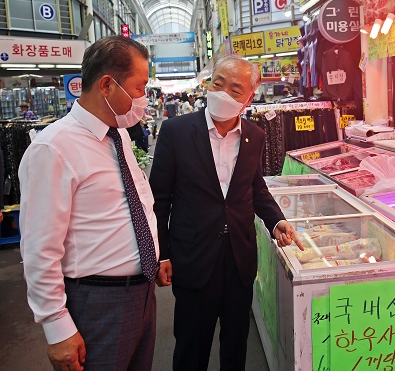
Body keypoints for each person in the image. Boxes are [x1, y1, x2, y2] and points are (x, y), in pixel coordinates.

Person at [149, 54, 304, 371]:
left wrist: (276, 220)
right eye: (218, 84)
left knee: (235, 345)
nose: (223, 93)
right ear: (208, 84)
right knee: (191, 348)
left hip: (238, 259)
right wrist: (161, 254)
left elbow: (255, 187)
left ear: (249, 98)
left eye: (235, 89)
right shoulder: (176, 132)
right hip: (193, 258)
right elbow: (159, 199)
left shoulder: (255, 136)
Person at [19, 35, 159, 371]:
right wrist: (57, 327)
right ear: (108, 85)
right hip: (98, 301)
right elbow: (40, 247)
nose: (143, 99)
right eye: (139, 88)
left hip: (142, 295)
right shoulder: (54, 148)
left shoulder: (119, 135)